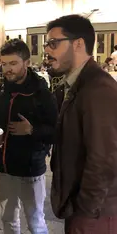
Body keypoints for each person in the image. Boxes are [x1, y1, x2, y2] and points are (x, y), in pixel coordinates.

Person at [45, 15, 117, 234]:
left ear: (77, 44)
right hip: (79, 208)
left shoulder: (98, 88)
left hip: (95, 215)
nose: (47, 50)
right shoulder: (76, 83)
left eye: (53, 43)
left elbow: (104, 159)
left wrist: (86, 209)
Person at [0, 39, 58, 234]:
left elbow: (56, 131)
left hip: (30, 171)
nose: (8, 69)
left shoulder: (41, 94)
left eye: (13, 63)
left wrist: (31, 130)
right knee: (8, 220)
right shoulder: (0, 92)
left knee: (35, 222)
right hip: (4, 169)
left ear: (26, 63)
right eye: (4, 63)